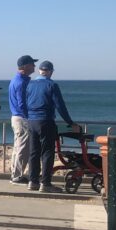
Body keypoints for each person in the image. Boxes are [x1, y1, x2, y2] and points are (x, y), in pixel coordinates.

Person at [24, 61, 79, 193]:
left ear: (39, 71)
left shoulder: (30, 85)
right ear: (50, 71)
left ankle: (33, 181)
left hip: (32, 121)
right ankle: (46, 183)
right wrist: (71, 123)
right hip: (46, 121)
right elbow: (60, 106)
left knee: (34, 152)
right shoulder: (52, 85)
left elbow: (26, 103)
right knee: (47, 152)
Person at [8, 55, 36, 184]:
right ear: (25, 67)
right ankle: (17, 175)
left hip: (16, 117)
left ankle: (15, 173)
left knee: (18, 146)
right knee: (23, 148)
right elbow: (22, 103)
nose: (34, 66)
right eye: (32, 64)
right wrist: (29, 117)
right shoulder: (21, 82)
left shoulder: (16, 79)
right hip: (22, 118)